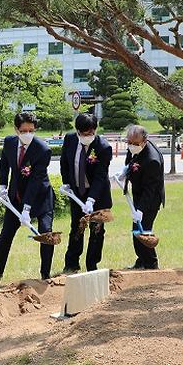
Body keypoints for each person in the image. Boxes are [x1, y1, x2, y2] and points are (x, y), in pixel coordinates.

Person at [0, 112, 55, 284]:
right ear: (16, 129)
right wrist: (3, 185)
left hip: (40, 197)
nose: (28, 134)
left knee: (46, 233)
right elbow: (4, 163)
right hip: (16, 197)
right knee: (5, 235)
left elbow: (35, 181)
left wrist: (27, 209)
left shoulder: (42, 150)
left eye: (31, 130)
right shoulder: (10, 142)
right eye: (24, 130)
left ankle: (45, 274)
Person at [59, 113, 112, 273]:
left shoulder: (103, 147)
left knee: (96, 231)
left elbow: (100, 176)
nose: (86, 137)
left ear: (95, 130)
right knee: (76, 228)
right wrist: (66, 183)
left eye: (90, 133)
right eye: (82, 134)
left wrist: (91, 199)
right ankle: (71, 264)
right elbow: (64, 163)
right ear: (77, 131)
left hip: (98, 195)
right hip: (77, 192)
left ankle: (92, 265)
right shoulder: (70, 139)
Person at [121, 124, 164, 270]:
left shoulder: (152, 160)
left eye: (135, 143)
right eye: (129, 143)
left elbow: (150, 189)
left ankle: (151, 262)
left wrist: (140, 210)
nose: (131, 146)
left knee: (143, 231)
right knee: (136, 230)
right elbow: (131, 158)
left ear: (145, 141)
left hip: (150, 199)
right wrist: (126, 169)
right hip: (139, 192)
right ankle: (142, 260)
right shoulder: (135, 146)